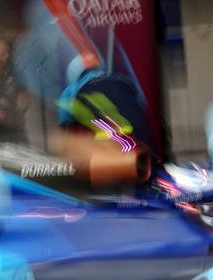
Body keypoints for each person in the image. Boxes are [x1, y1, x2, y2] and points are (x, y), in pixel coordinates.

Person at [54, 52, 156, 188]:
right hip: (145, 144)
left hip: (118, 154)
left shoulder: (72, 91)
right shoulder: (123, 81)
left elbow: (65, 128)